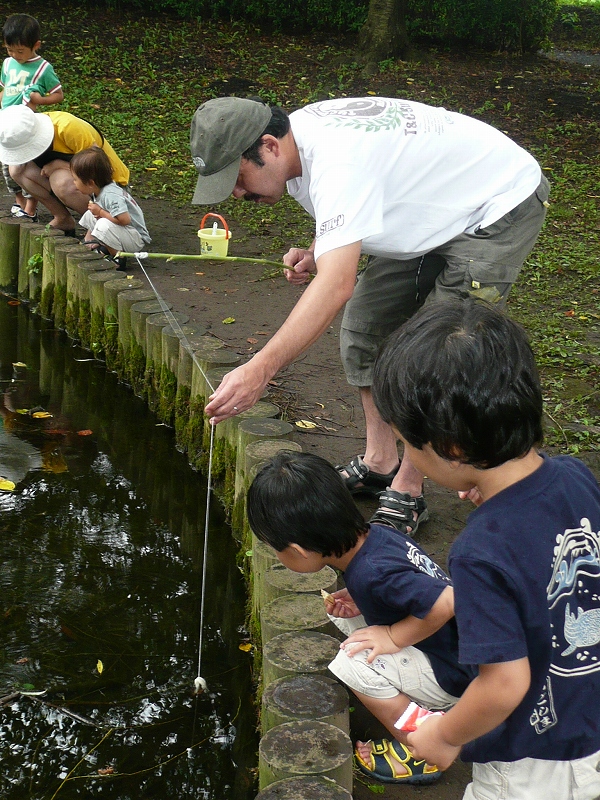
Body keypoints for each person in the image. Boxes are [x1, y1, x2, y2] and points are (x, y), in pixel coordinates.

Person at [190, 96, 550, 536]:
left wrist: (259, 369)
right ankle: (381, 461)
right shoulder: (299, 146)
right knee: (365, 328)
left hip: (496, 206)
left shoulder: (338, 161)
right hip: (431, 207)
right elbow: (357, 206)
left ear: (268, 146)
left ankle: (409, 485)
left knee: (439, 353)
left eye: (238, 178)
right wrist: (320, 249)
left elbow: (337, 283)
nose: (237, 194)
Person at [370, 297, 600, 800]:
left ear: (451, 449)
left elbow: (503, 684)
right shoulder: (576, 478)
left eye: (408, 442)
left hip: (532, 758)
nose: (405, 453)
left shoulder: (479, 551)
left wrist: (444, 736)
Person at [247, 450, 476, 785]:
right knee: (350, 624)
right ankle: (419, 707)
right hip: (456, 648)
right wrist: (365, 602)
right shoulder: (376, 537)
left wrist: (393, 637)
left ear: (298, 550)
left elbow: (447, 601)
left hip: (455, 673)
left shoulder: (373, 575)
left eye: (275, 549)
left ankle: (424, 742)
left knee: (350, 661)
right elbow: (406, 586)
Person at [0, 105, 129, 234]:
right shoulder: (19, 130)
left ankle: (100, 224)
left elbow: (99, 169)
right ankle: (62, 218)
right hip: (73, 176)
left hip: (109, 186)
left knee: (60, 181)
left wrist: (59, 165)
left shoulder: (68, 128)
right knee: (17, 169)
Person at [1, 13, 64, 221]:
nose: (15, 55)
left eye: (20, 51)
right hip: (6, 125)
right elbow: (3, 89)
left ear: (36, 45)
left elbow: (58, 95)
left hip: (25, 126)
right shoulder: (8, 64)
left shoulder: (43, 68)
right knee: (7, 168)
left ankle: (30, 207)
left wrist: (38, 100)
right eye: (10, 50)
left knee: (23, 165)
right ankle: (19, 202)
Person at [70, 147, 151, 271]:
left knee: (102, 223)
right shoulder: (98, 190)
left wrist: (101, 212)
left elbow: (124, 220)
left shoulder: (110, 195)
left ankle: (118, 258)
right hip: (124, 232)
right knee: (91, 214)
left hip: (135, 237)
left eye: (75, 179)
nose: (74, 182)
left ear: (91, 183)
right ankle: (92, 242)